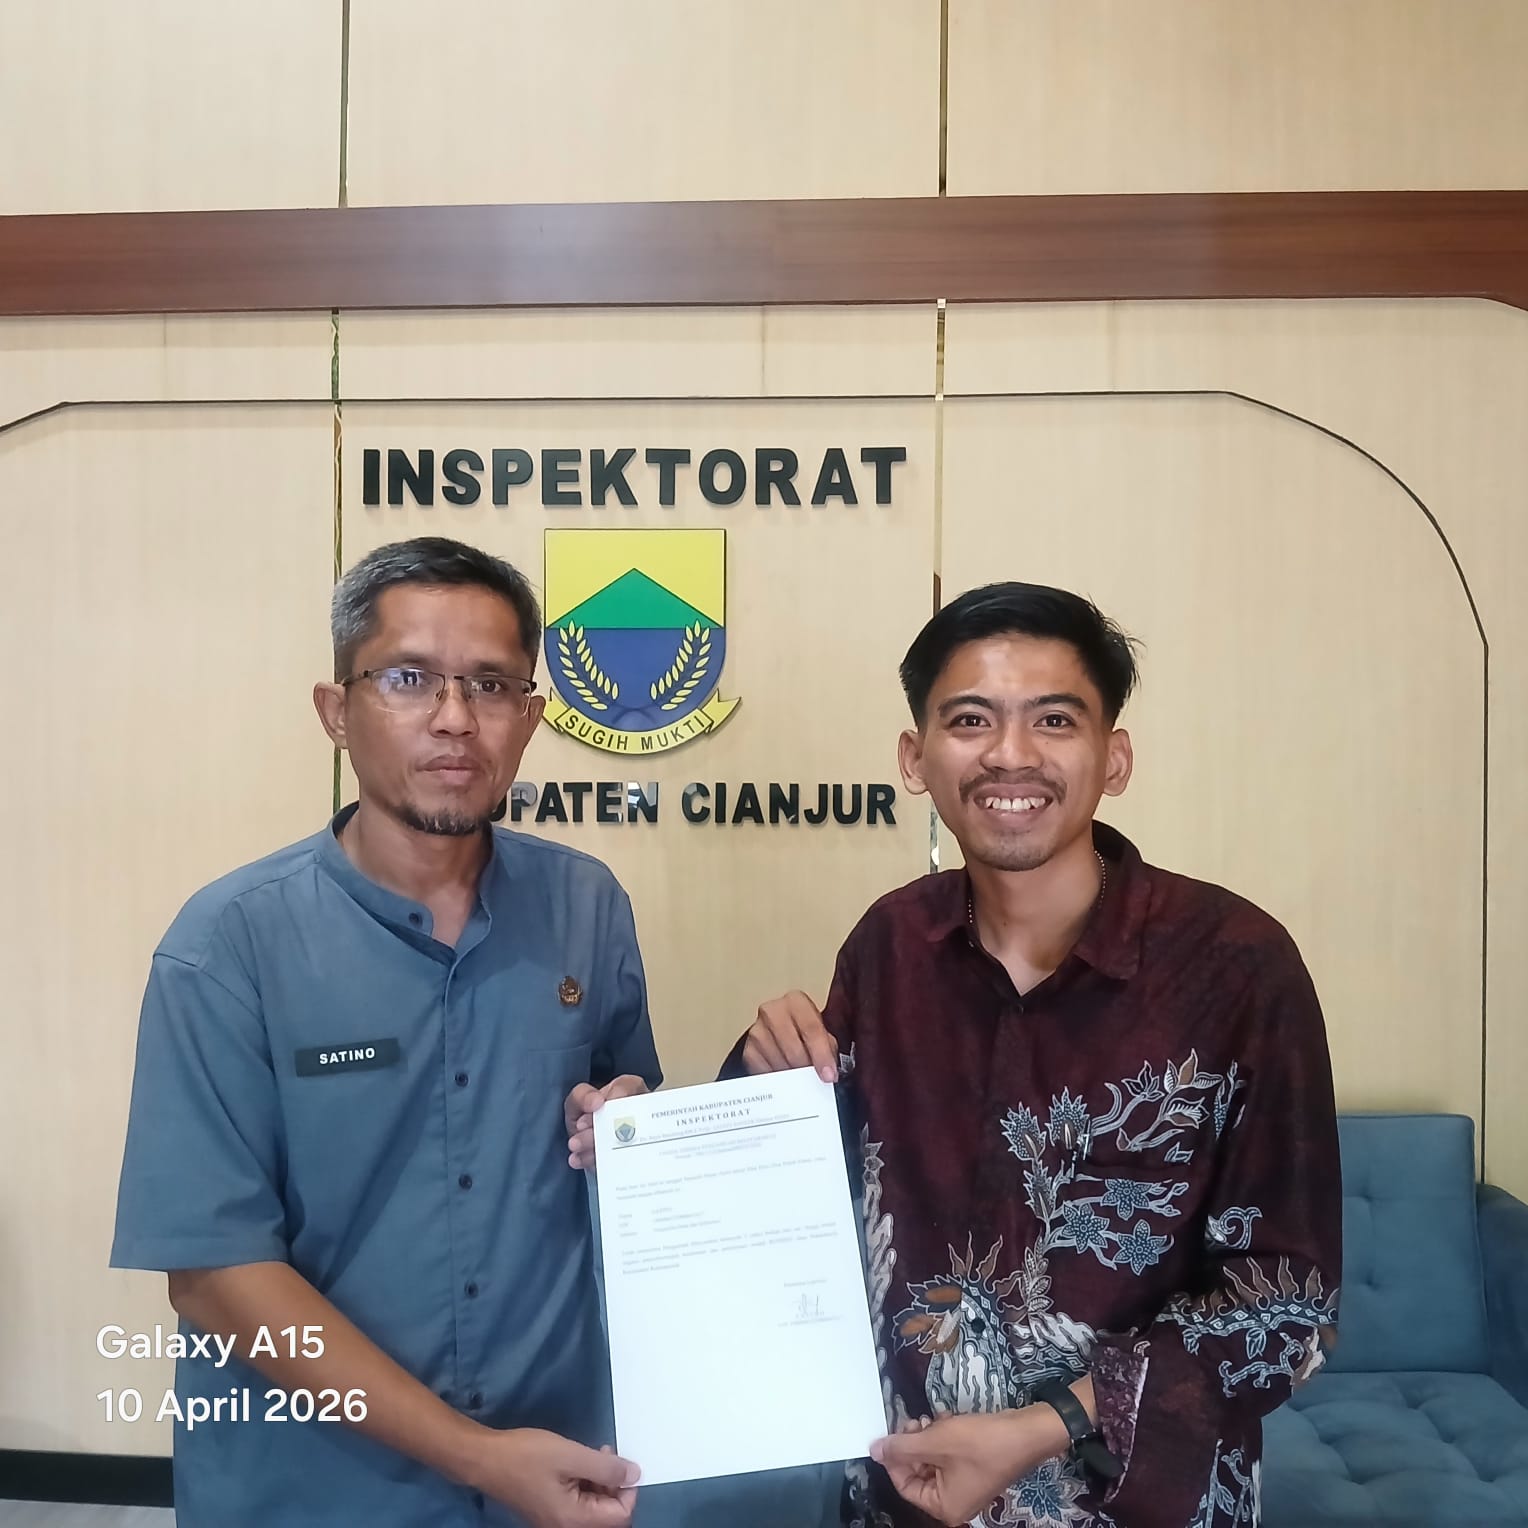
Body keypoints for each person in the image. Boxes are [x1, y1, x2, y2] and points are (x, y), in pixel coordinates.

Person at [728, 583, 1342, 1528]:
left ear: (1114, 758)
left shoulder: (1236, 967)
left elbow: (1287, 1306)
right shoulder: (891, 945)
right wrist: (737, 1081)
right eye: (970, 719)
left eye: (1054, 719)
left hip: (1141, 1507)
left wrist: (1047, 1426)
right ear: (915, 758)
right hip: (904, 1497)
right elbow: (798, 1181)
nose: (1010, 754)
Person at [112, 536, 657, 1528]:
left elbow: (627, 1138)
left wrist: (623, 1124)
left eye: (491, 684)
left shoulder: (587, 906)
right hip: (314, 1491)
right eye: (408, 678)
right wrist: (479, 1457)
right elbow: (215, 1273)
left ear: (532, 718)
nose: (455, 717)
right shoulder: (229, 945)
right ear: (336, 710)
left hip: (555, 1465)